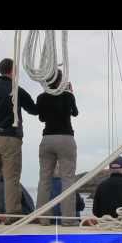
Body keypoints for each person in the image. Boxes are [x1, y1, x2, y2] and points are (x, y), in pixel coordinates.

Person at [0, 58, 38, 225]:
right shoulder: (16, 90)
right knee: (10, 177)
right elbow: (34, 110)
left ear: (0, 70)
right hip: (10, 138)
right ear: (13, 71)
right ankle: (12, 214)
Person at [35, 69, 79, 226]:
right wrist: (71, 93)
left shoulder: (41, 97)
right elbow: (75, 113)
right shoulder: (67, 96)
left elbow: (41, 118)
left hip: (47, 138)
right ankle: (67, 219)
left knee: (44, 180)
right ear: (61, 80)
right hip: (65, 137)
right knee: (67, 179)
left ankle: (43, 218)